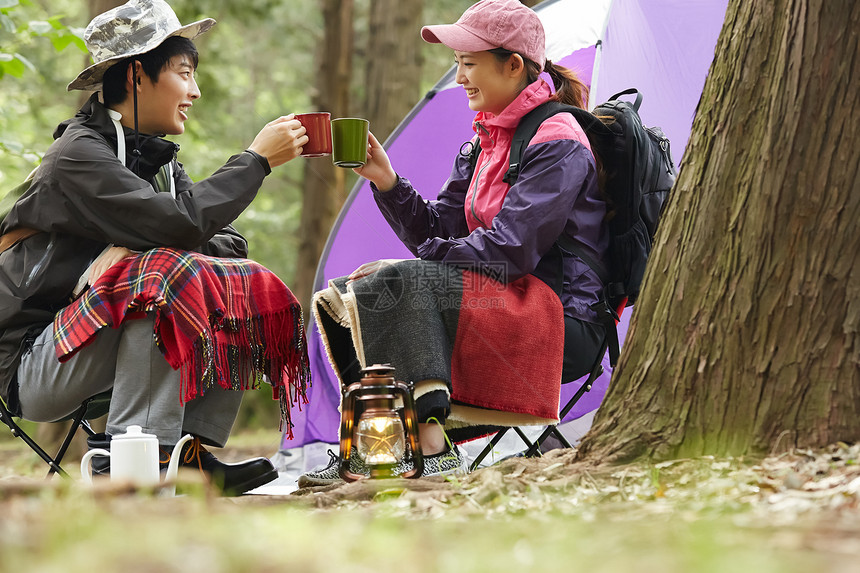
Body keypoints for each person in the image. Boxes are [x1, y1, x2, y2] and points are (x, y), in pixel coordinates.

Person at [0, 0, 310, 495]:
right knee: (159, 277)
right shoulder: (78, 157)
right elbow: (184, 224)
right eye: (184, 73)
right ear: (138, 74)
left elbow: (215, 240)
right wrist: (254, 161)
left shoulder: (154, 161)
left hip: (90, 343)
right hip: (35, 365)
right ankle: (134, 457)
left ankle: (191, 455)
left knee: (239, 280)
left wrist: (188, 239)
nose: (195, 91)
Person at [300, 0, 609, 487]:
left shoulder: (558, 140)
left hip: (561, 317)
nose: (460, 76)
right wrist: (386, 181)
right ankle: (373, 444)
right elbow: (438, 232)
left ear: (513, 65)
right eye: (457, 64)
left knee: (398, 282)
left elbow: (508, 252)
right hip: (505, 300)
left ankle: (429, 450)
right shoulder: (486, 140)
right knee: (353, 290)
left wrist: (413, 270)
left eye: (469, 63)